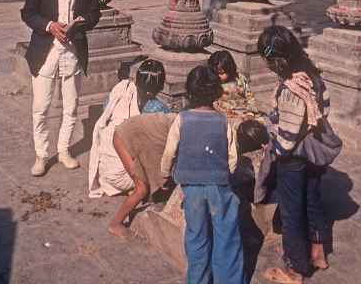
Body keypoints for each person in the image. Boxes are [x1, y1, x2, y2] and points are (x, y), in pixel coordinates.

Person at [257, 26, 332, 284]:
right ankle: (318, 253)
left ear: (277, 60)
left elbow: (287, 140)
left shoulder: (291, 89)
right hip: (313, 151)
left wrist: (272, 149)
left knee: (292, 212)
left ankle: (295, 269)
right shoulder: (312, 74)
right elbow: (326, 106)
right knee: (312, 201)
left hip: (294, 160)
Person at [160, 66, 246, 284]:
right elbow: (233, 158)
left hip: (192, 188)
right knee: (226, 236)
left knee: (196, 238)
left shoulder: (182, 119)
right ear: (216, 92)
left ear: (189, 93)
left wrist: (164, 175)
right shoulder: (224, 121)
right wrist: (228, 175)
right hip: (219, 186)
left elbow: (169, 152)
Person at [21, 0, 100, 176]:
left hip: (72, 52)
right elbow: (27, 13)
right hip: (46, 53)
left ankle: (64, 150)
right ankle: (41, 156)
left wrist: (81, 22)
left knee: (71, 106)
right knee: (41, 108)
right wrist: (50, 26)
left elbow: (95, 14)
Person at [88, 59, 170, 198]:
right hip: (125, 176)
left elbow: (105, 111)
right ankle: (140, 186)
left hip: (105, 173)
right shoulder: (158, 109)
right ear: (161, 87)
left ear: (136, 81)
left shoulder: (121, 91)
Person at [108, 111, 176, 238]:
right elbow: (158, 166)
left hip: (139, 132)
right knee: (142, 188)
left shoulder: (179, 123)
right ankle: (115, 224)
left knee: (152, 179)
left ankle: (143, 201)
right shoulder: (165, 137)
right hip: (123, 135)